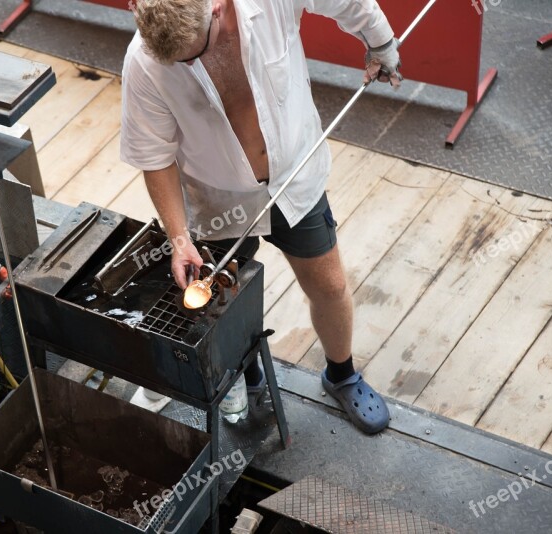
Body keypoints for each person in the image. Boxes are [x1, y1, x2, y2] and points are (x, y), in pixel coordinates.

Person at [120, 0, 401, 434]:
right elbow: (155, 157)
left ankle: (341, 373)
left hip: (293, 178)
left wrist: (380, 42)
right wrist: (179, 239)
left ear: (214, 7)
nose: (190, 65)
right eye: (178, 63)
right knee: (223, 305)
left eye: (194, 54)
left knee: (330, 285)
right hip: (216, 200)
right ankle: (248, 377)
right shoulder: (144, 60)